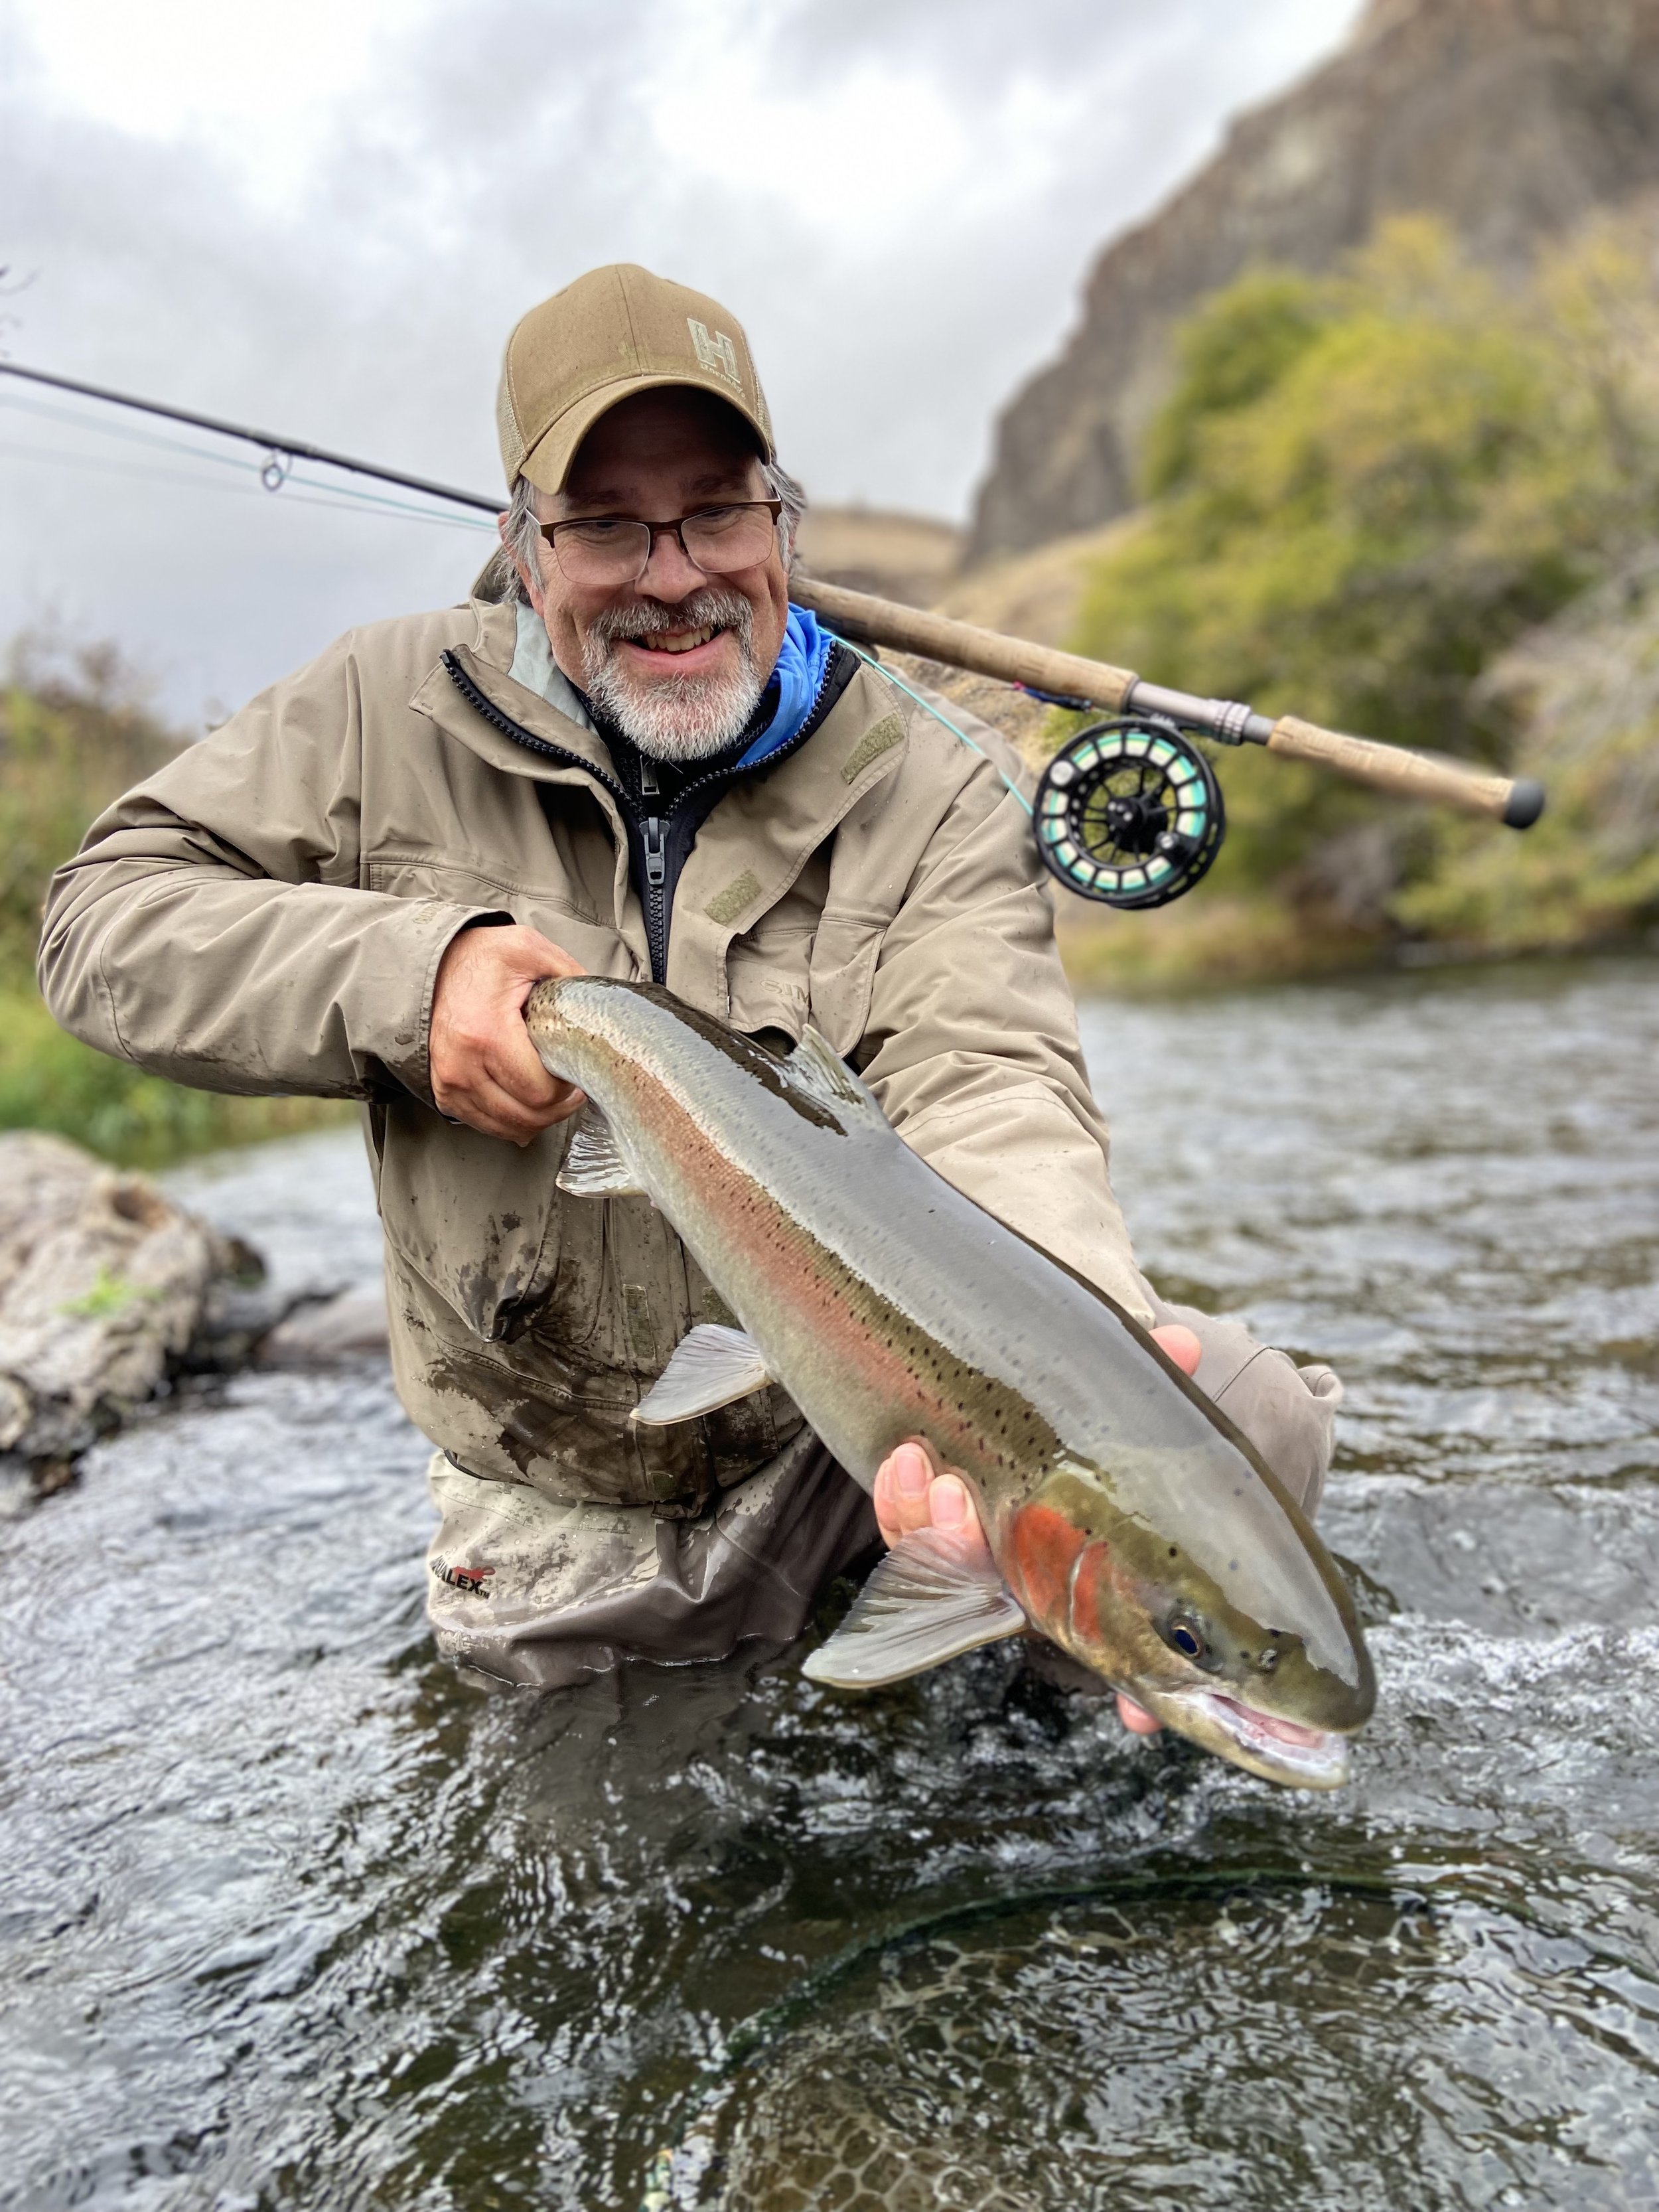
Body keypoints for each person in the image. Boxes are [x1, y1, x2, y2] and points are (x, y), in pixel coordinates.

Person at [40, 263, 1342, 1729]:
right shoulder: (370, 709)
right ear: (522, 546)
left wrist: (1068, 1367)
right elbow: (101, 919)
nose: (673, 574)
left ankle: (1093, 1673)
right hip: (564, 1498)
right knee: (611, 1926)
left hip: (844, 1448)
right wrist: (414, 975)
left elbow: (988, 1073)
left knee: (1243, 1411)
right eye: (606, 524)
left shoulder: (919, 773)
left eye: (717, 510)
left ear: (779, 520)